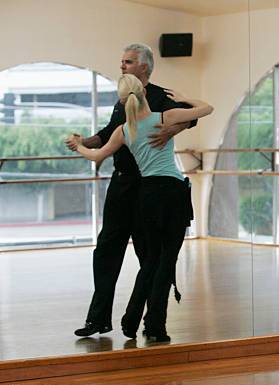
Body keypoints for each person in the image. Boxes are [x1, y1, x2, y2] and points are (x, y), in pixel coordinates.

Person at [66, 43, 196, 337]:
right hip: (121, 184)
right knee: (106, 250)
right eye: (122, 61)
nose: (122, 65)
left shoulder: (161, 97)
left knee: (149, 257)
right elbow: (108, 134)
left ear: (145, 67)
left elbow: (192, 115)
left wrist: (172, 129)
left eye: (128, 62)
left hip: (148, 187)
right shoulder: (123, 99)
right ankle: (98, 318)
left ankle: (152, 321)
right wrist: (83, 141)